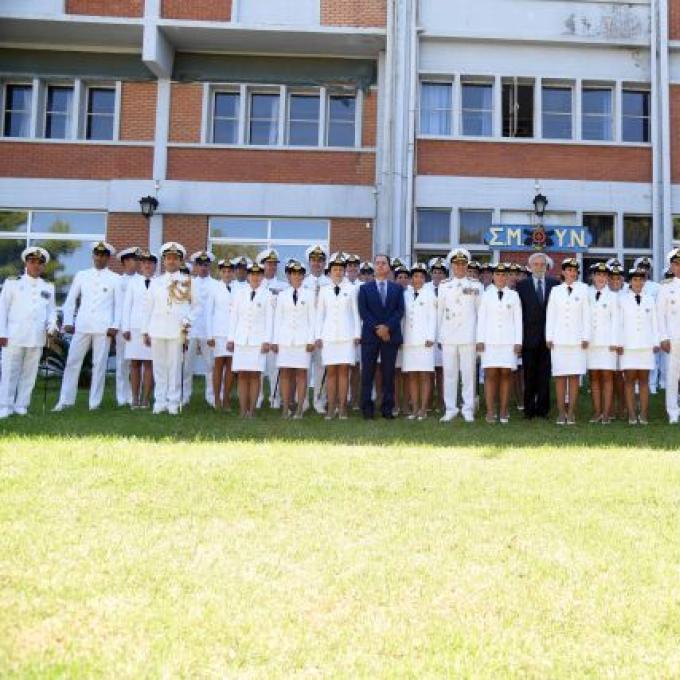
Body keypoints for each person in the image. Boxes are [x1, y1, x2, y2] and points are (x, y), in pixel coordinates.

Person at [53, 241, 122, 412]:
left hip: (103, 328)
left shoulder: (115, 278)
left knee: (99, 365)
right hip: (82, 325)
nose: (99, 258)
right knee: (72, 362)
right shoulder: (82, 275)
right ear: (93, 256)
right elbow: (70, 301)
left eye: (103, 255)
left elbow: (119, 305)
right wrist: (68, 322)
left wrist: (115, 325)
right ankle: (65, 401)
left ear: (108, 258)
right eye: (97, 254)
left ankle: (94, 403)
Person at [143, 242, 200, 415]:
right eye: (168, 258)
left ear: (180, 261)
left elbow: (197, 307)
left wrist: (187, 320)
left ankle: (173, 402)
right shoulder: (156, 282)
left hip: (177, 330)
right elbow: (148, 308)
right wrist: (145, 331)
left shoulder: (188, 282)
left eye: (175, 258)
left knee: (175, 367)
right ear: (164, 261)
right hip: (157, 329)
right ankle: (160, 401)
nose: (171, 261)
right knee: (159, 367)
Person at [0, 247, 57, 419]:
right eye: (32, 261)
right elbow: (2, 309)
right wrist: (2, 333)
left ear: (43, 266)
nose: (36, 265)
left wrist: (52, 326)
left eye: (40, 263)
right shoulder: (12, 283)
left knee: (29, 374)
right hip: (14, 336)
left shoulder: (48, 287)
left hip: (36, 337)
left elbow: (51, 312)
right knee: (10, 372)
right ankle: (5, 406)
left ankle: (21, 406)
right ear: (26, 263)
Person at [437, 248, 483, 423]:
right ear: (451, 266)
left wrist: (479, 338)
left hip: (468, 336)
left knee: (468, 375)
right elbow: (440, 312)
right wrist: (439, 336)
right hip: (448, 336)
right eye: (456, 264)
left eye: (463, 264)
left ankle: (468, 408)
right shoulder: (444, 285)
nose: (460, 267)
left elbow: (480, 313)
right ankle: (450, 409)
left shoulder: (476, 285)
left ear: (467, 265)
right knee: (449, 374)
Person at [315, 252, 361, 419]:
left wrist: (357, 334)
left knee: (343, 373)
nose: (338, 272)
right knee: (331, 373)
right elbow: (320, 314)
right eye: (335, 269)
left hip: (346, 337)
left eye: (341, 269)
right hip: (328, 337)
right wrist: (318, 336)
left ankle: (342, 408)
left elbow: (355, 313)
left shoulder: (352, 289)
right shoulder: (324, 290)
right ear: (330, 271)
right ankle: (331, 407)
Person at [358, 254, 404, 419]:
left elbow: (399, 311)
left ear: (389, 267)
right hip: (370, 336)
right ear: (374, 267)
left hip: (390, 336)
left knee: (388, 373)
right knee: (367, 374)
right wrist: (378, 329)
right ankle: (367, 409)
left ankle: (387, 409)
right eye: (377, 263)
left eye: (383, 263)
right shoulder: (364, 288)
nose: (380, 266)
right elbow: (364, 312)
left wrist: (387, 328)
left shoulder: (397, 288)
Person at [545, 258, 591, 425]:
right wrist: (549, 337)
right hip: (559, 340)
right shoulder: (556, 290)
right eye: (569, 270)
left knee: (573, 376)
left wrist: (586, 336)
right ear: (563, 272)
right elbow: (551, 314)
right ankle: (561, 412)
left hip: (577, 341)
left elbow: (587, 314)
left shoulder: (583, 289)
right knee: (559, 376)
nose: (572, 273)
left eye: (574, 270)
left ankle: (571, 412)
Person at [476, 263, 522, 424]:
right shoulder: (486, 295)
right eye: (498, 274)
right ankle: (490, 411)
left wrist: (518, 342)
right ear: (493, 277)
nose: (501, 277)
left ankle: (503, 410)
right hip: (489, 342)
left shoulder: (514, 295)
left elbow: (518, 320)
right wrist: (480, 340)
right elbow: (481, 319)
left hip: (508, 342)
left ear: (507, 277)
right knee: (490, 375)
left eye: (504, 275)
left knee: (506, 375)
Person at [516, 252, 560, 418]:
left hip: (548, 339)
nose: (539, 267)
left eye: (542, 264)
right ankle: (529, 410)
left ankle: (543, 409)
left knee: (544, 376)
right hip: (528, 338)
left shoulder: (555, 284)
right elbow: (519, 314)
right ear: (530, 266)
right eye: (536, 264)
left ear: (546, 267)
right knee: (529, 376)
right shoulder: (522, 286)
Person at [227, 261, 273, 418]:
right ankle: (242, 409)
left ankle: (252, 410)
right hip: (241, 340)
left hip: (258, 342)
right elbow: (234, 317)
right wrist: (231, 339)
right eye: (252, 274)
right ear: (248, 276)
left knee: (254, 375)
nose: (255, 277)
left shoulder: (267, 295)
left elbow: (270, 320)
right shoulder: (239, 293)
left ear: (262, 277)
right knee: (242, 375)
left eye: (258, 274)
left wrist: (267, 340)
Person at [272, 260, 315, 419]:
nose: (296, 276)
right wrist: (275, 341)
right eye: (293, 274)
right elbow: (278, 319)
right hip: (285, 340)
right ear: (289, 276)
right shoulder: (282, 295)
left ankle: (299, 409)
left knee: (301, 375)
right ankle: (285, 408)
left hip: (302, 341)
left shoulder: (310, 295)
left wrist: (311, 340)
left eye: (299, 274)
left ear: (303, 276)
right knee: (285, 374)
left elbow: (313, 319)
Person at [618, 267, 659, 425]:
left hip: (646, 346)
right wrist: (619, 342)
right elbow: (619, 324)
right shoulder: (622, 300)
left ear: (644, 281)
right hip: (628, 346)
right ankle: (631, 414)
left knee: (644, 380)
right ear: (630, 281)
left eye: (641, 279)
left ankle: (643, 413)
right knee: (629, 380)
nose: (638, 282)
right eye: (635, 279)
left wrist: (656, 341)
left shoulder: (650, 299)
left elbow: (654, 322)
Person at [121, 249, 157, 409]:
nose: (147, 266)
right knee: (134, 364)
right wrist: (125, 327)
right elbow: (126, 306)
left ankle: (146, 399)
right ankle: (135, 398)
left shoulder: (160, 283)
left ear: (155, 266)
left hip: (152, 329)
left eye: (150, 263)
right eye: (144, 263)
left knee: (149, 364)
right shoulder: (133, 283)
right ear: (141, 265)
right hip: (134, 328)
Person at [401, 262, 436, 420]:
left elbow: (433, 317)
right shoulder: (406, 294)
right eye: (415, 276)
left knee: (424, 375)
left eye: (421, 276)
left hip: (424, 341)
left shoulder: (430, 294)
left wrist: (431, 337)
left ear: (425, 278)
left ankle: (423, 409)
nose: (418, 279)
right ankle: (414, 408)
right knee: (412, 375)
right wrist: (401, 337)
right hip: (409, 340)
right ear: (411, 278)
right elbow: (402, 318)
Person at [183, 250, 217, 407]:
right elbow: (184, 307)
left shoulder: (216, 285)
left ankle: (211, 396)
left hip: (208, 331)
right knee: (187, 366)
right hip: (191, 330)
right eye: (200, 265)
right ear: (195, 266)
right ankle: (185, 396)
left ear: (209, 266)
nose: (203, 268)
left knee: (210, 365)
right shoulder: (188, 284)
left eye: (206, 265)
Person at [587, 262, 619, 424]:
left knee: (607, 377)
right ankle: (597, 411)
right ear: (593, 277)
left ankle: (606, 413)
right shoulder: (586, 294)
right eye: (598, 275)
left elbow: (616, 321)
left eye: (604, 275)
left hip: (607, 344)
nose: (601, 278)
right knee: (594, 377)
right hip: (591, 343)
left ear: (607, 278)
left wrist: (615, 341)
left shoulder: (613, 297)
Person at [258, 248, 288, 410]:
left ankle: (274, 397)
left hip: (276, 333)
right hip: (258, 333)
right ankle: (258, 397)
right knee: (258, 368)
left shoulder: (283, 286)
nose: (272, 267)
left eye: (274, 264)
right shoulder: (255, 284)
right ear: (262, 265)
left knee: (275, 368)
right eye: (268, 264)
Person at [302, 244, 331, 414]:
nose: (317, 263)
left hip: (323, 334)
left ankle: (320, 401)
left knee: (321, 369)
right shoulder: (302, 282)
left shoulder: (330, 283)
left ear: (324, 263)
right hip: (305, 333)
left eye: (320, 260)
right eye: (313, 260)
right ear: (309, 262)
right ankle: (303, 401)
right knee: (303, 369)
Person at [206, 259, 235, 411]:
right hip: (218, 333)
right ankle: (217, 398)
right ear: (220, 273)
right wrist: (209, 335)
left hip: (233, 334)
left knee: (230, 367)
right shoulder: (214, 288)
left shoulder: (239, 289)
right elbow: (208, 313)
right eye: (224, 271)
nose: (227, 274)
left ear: (233, 273)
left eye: (230, 271)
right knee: (218, 366)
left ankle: (226, 399)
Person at [657, 248, 680, 423]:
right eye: (676, 264)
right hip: (673, 338)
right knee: (672, 376)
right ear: (671, 266)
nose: (679, 267)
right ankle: (673, 412)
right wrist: (663, 337)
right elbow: (660, 314)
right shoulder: (665, 287)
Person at [115, 246, 139, 407]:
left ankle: (134, 394)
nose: (133, 263)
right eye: (130, 260)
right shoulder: (118, 281)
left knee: (136, 363)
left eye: (135, 260)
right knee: (121, 362)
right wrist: (118, 326)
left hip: (137, 327)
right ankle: (121, 395)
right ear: (124, 263)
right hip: (122, 327)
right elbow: (116, 305)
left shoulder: (142, 280)